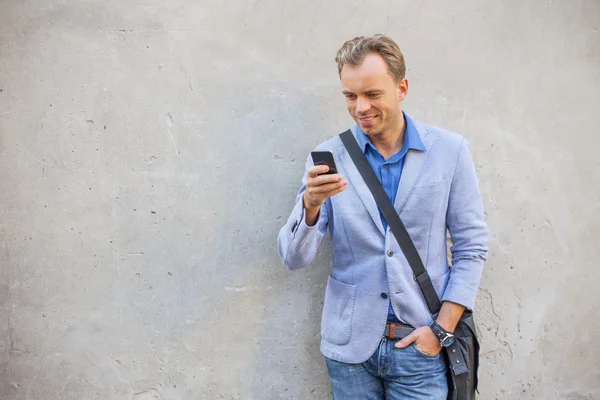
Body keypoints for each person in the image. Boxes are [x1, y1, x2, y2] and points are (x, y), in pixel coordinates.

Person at [277, 34, 488, 400]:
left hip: (421, 346)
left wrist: (441, 330)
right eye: (350, 96)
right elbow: (294, 258)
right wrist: (310, 205)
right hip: (350, 353)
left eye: (372, 94)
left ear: (401, 87)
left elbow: (471, 247)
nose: (360, 107)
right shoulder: (329, 155)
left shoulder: (450, 151)